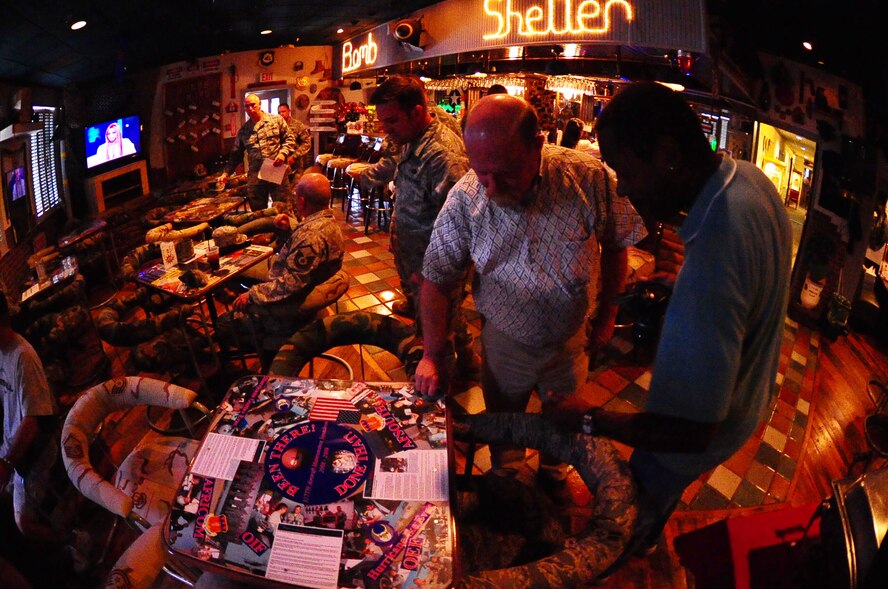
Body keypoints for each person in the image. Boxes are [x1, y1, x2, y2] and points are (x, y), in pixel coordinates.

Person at [551, 81, 793, 567]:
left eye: (624, 170)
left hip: (707, 427)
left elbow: (690, 431)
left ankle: (624, 556)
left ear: (667, 155)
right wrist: (680, 287)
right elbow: (747, 285)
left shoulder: (716, 250)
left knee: (637, 503)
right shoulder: (749, 180)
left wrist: (586, 417)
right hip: (751, 396)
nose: (622, 187)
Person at [415, 94, 646, 487]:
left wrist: (607, 316)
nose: (489, 188)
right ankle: (510, 474)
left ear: (536, 145)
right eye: (481, 172)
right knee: (506, 423)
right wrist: (433, 354)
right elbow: (436, 279)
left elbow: (616, 246)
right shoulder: (466, 199)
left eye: (503, 173)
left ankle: (555, 476)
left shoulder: (587, 178)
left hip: (571, 341)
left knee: (565, 430)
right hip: (506, 340)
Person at [369, 75, 476, 374]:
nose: (385, 130)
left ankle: (451, 371)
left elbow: (461, 224)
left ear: (417, 112)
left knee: (443, 320)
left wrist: (434, 275)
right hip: (414, 247)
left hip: (435, 262)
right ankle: (456, 352)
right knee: (435, 315)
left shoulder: (443, 155)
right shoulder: (412, 136)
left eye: (391, 121)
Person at [219, 172, 344, 345]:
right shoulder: (329, 223)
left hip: (284, 313)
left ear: (302, 201)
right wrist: (287, 231)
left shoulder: (311, 236)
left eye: (295, 196)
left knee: (223, 323)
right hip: (301, 295)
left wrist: (252, 296)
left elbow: (292, 282)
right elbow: (304, 260)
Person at [0, 293, 59, 542]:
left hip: (34, 452)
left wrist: (6, 465)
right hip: (11, 449)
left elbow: (33, 423)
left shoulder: (22, 356)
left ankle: (74, 541)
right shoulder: (1, 352)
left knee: (24, 524)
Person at [219, 93, 296, 212]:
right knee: (258, 212)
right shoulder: (244, 130)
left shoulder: (276, 120)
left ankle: (286, 230)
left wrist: (283, 153)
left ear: (260, 104)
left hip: (276, 170)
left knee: (284, 208)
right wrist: (226, 174)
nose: (250, 108)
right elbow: (235, 155)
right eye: (246, 106)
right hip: (256, 176)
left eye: (253, 105)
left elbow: (290, 138)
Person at [277, 102, 312, 182]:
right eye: (279, 112)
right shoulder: (276, 126)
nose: (281, 114)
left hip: (295, 165)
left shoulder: (298, 125)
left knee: (295, 190)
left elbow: (307, 143)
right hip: (281, 166)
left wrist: (294, 156)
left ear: (289, 111)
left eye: (283, 111)